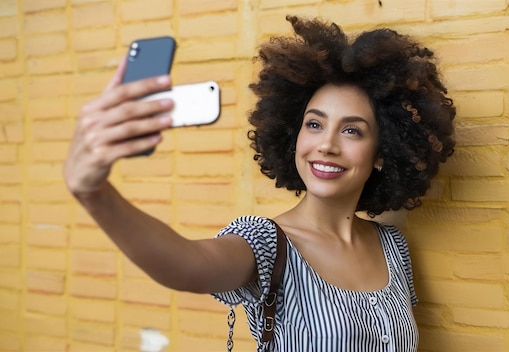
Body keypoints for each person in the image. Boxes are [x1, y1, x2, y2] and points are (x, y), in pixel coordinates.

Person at [64, 15, 455, 352]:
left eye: (352, 131)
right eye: (314, 124)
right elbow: (187, 266)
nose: (326, 145)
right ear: (294, 135)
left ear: (383, 152)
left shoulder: (393, 246)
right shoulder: (266, 242)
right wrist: (94, 193)